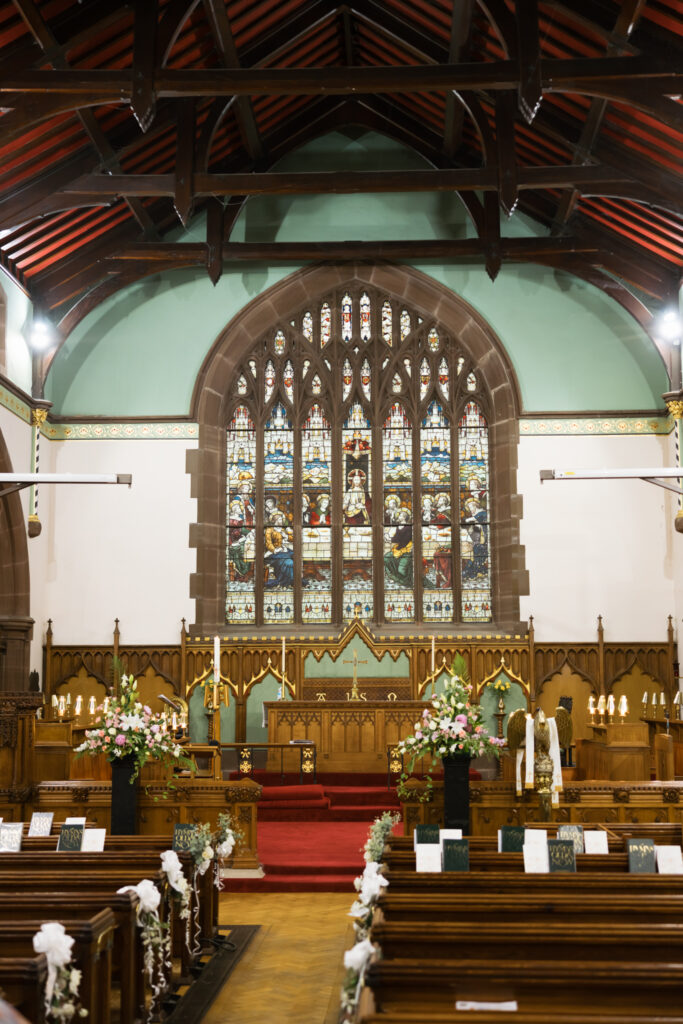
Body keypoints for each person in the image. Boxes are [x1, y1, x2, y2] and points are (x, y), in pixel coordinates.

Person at [384, 508, 413, 587]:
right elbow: (397, 537)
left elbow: (405, 540)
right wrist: (389, 539)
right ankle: (394, 575)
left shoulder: (409, 527)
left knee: (401, 570)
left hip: (406, 549)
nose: (398, 517)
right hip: (399, 548)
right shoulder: (398, 526)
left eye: (400, 515)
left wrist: (390, 540)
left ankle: (403, 580)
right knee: (386, 557)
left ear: (404, 517)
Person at [264, 511, 294, 588]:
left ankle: (286, 581)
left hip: (284, 550)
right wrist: (274, 550)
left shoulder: (283, 529)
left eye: (281, 519)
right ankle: (286, 582)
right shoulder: (269, 530)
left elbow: (292, 539)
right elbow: (268, 543)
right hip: (274, 553)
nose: (282, 521)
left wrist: (287, 536)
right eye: (280, 519)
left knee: (295, 556)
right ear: (275, 520)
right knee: (289, 562)